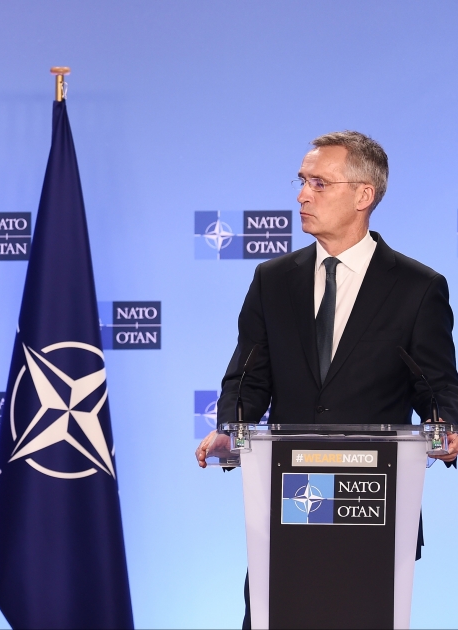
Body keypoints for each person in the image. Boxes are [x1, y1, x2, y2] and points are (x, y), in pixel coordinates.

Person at [194, 131, 458, 628]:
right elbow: (248, 376)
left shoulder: (417, 287)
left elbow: (437, 385)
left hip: (372, 512)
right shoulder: (273, 280)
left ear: (364, 195)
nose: (302, 194)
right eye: (301, 181)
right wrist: (233, 429)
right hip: (287, 507)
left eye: (319, 182)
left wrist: (448, 427)